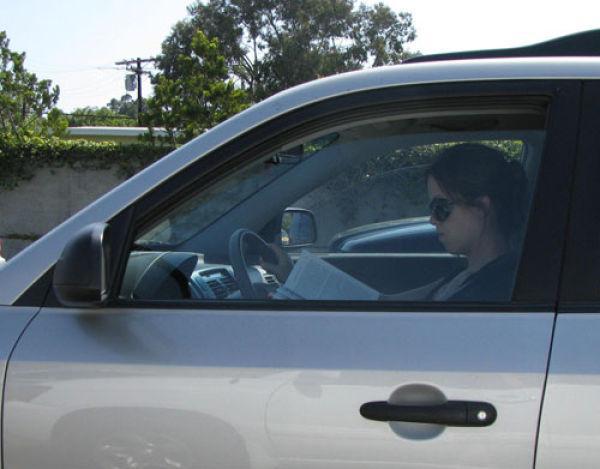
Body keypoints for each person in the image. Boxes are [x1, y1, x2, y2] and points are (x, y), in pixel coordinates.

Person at [384, 142, 528, 301]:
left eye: (441, 207)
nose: (432, 220)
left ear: (481, 207)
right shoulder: (473, 273)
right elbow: (390, 302)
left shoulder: (488, 293)